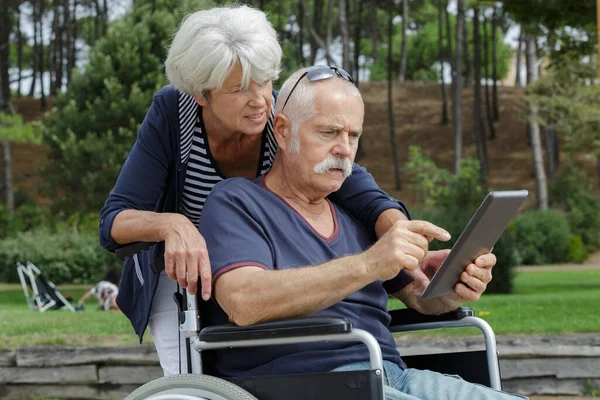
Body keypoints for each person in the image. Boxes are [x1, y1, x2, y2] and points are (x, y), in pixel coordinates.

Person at [99, 5, 418, 376]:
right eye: (239, 89)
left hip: (256, 261)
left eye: (264, 81)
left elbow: (356, 185)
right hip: (185, 276)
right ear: (203, 94)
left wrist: (400, 233)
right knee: (190, 382)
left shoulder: (278, 114)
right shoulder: (173, 115)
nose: (259, 100)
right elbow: (114, 220)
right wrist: (173, 225)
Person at [198, 66, 528, 400]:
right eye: (329, 132)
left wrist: (453, 286)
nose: (344, 150)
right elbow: (243, 301)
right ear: (283, 132)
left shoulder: (356, 215)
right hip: (309, 383)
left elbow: (422, 300)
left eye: (353, 136)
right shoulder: (236, 202)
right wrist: (368, 264)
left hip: (391, 375)